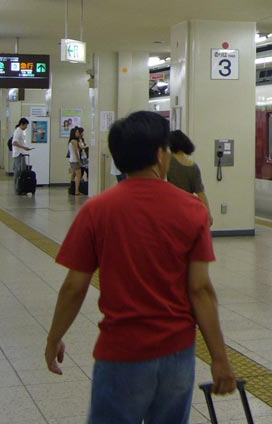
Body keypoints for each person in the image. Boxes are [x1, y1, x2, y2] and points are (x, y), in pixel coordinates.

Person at [44, 111, 236, 422]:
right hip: (177, 354)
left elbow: (74, 286)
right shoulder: (193, 211)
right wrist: (219, 359)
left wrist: (54, 337)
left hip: (121, 353)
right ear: (161, 156)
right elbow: (200, 289)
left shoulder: (96, 210)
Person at [166, 130, 212, 224]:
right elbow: (201, 193)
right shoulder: (193, 166)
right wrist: (208, 214)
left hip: (172, 207)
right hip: (188, 208)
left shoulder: (167, 161)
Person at [11, 118, 33, 191]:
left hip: (21, 153)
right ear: (22, 124)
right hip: (19, 154)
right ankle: (18, 186)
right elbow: (14, 143)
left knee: (21, 170)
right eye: (26, 125)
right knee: (19, 171)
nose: (26, 127)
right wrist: (24, 147)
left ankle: (20, 186)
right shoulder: (18, 131)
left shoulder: (20, 131)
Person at [67, 127, 82, 195]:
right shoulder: (74, 141)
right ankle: (76, 190)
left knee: (73, 174)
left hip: (71, 160)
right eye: (77, 132)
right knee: (78, 175)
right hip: (75, 160)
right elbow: (76, 152)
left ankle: (72, 188)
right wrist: (79, 161)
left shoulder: (71, 141)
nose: (78, 134)